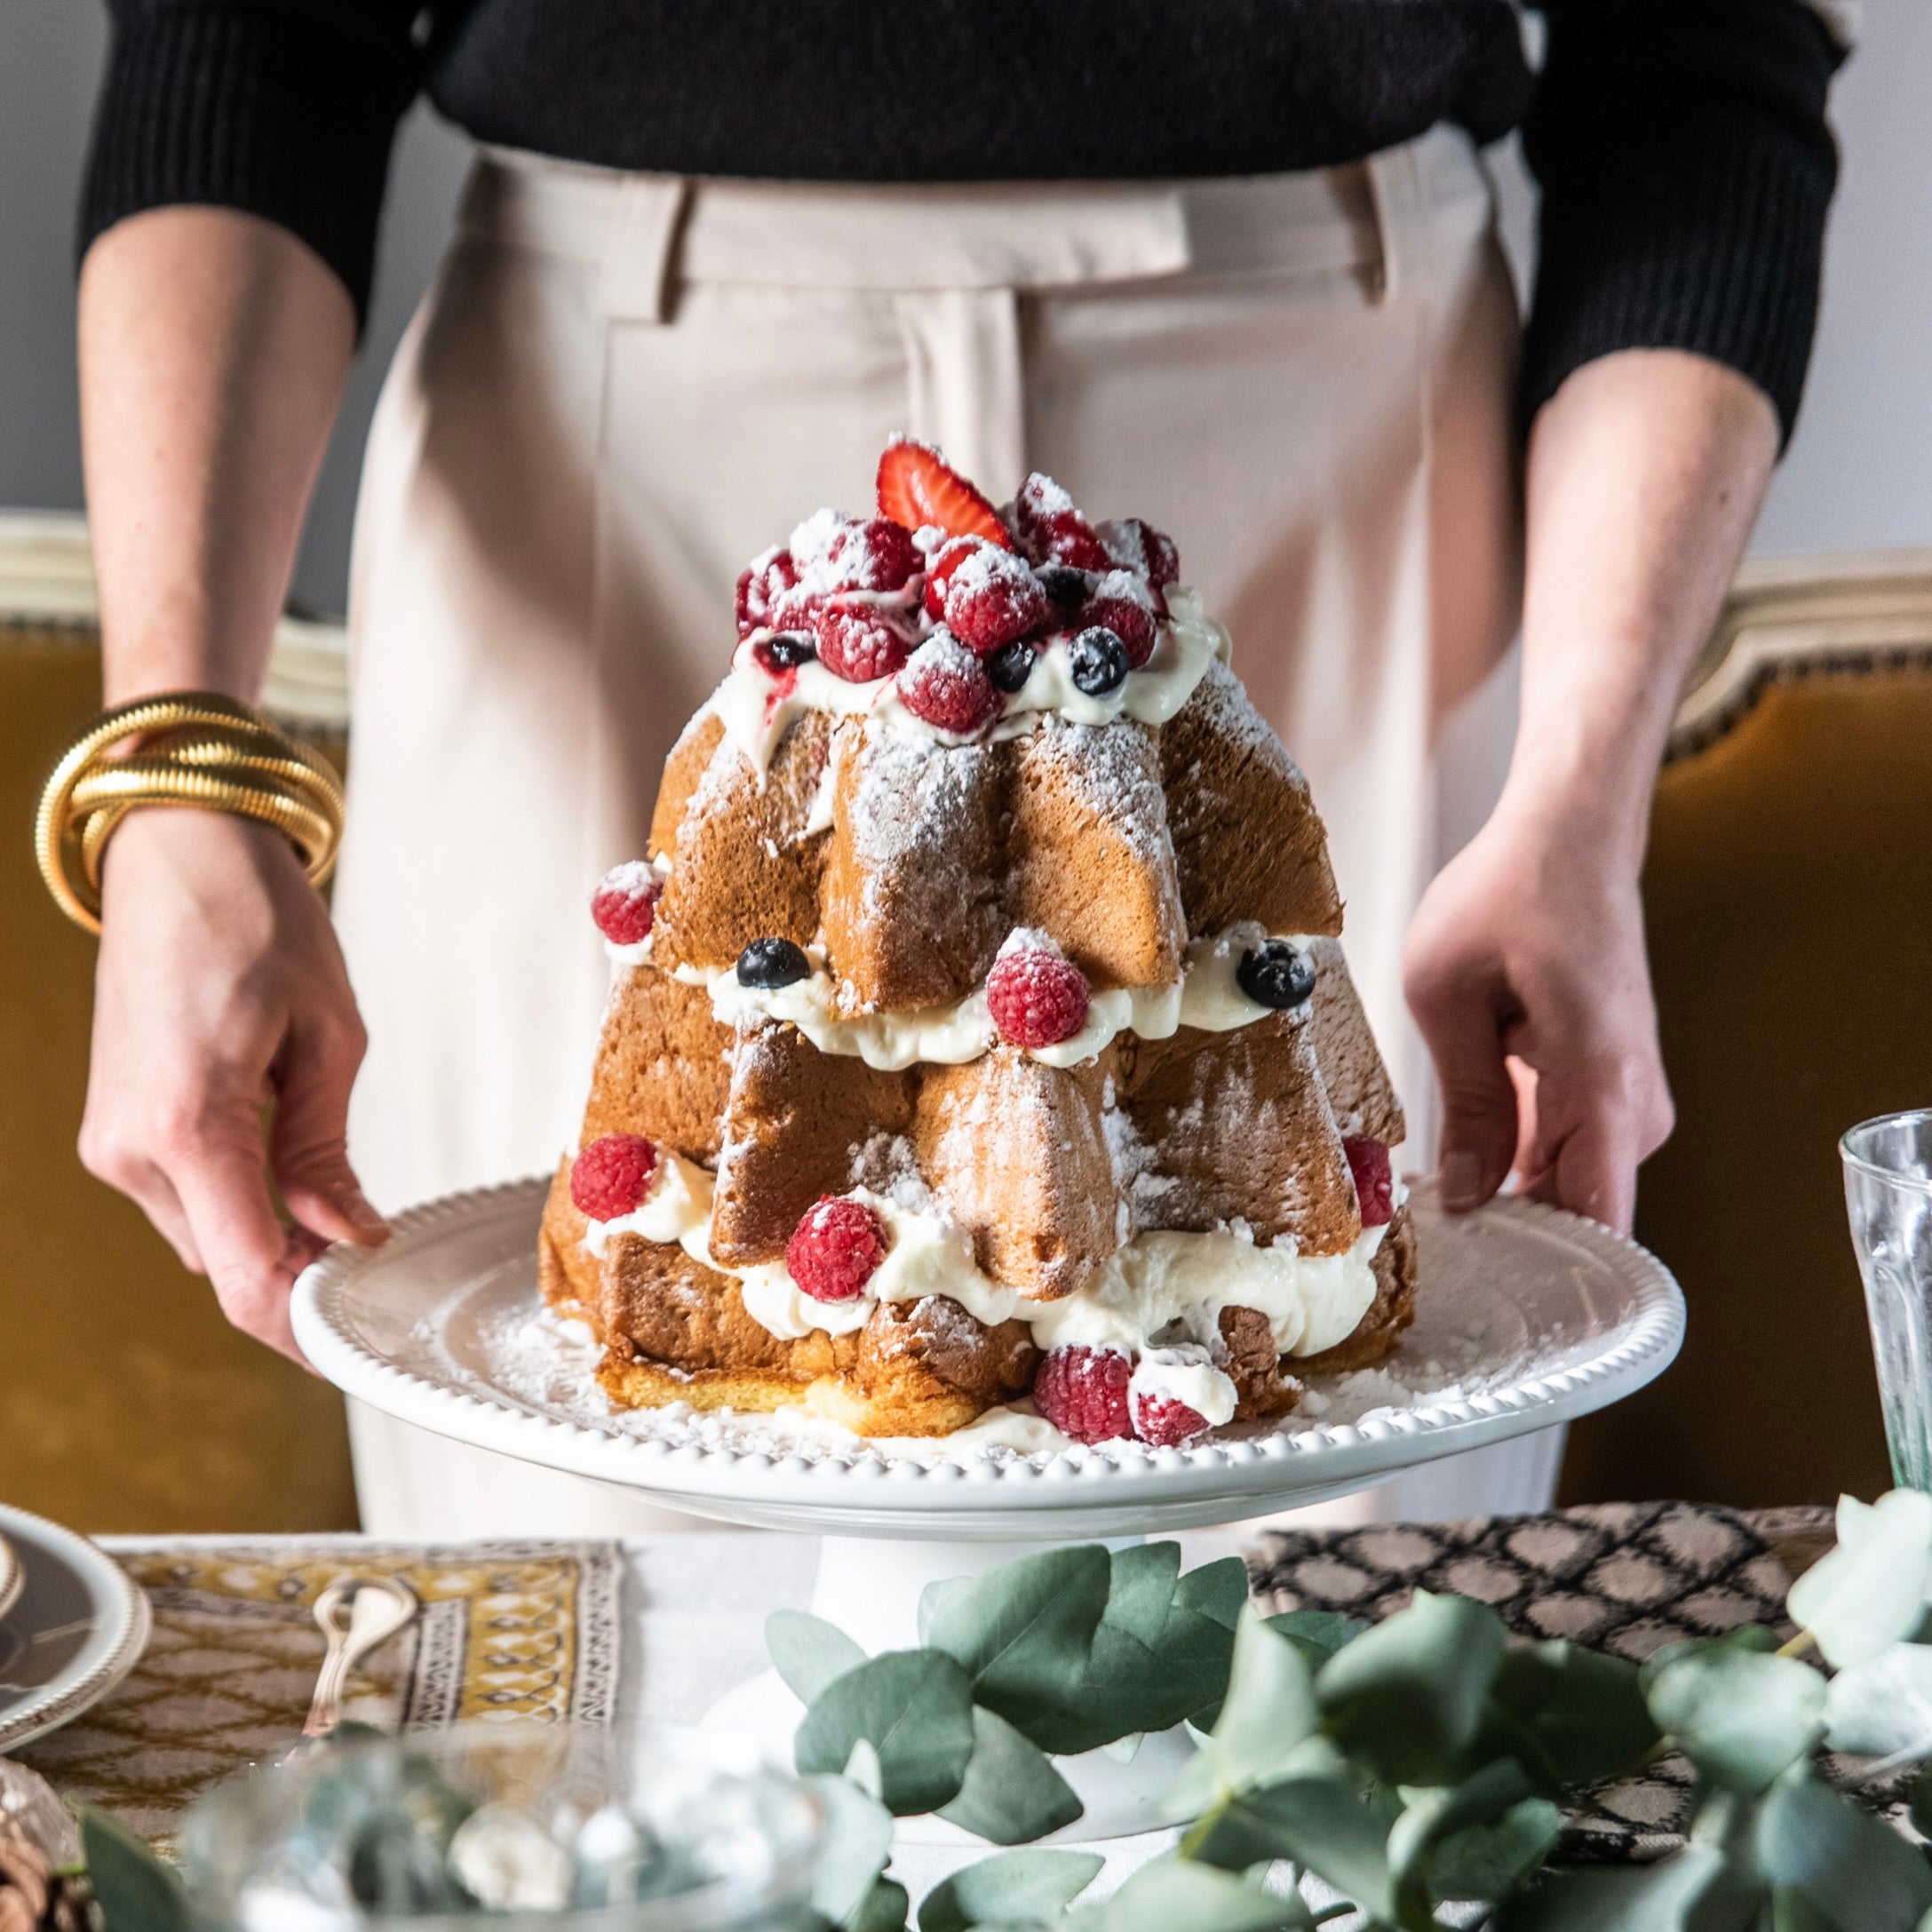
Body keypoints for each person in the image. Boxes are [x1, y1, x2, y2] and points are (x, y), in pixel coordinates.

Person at [68, 0, 1845, 1534]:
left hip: (1331, 436)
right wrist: (173, 777)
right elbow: (242, 34)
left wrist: (1580, 793)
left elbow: (1697, 50)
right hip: (608, 439)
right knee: (601, 1646)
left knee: (1314, 1650)